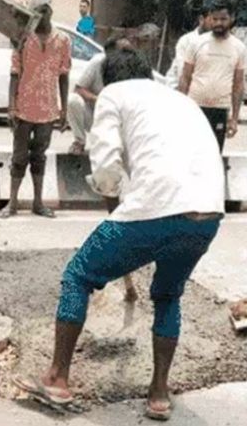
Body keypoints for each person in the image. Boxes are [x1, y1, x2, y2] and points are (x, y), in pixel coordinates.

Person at [13, 49, 224, 421]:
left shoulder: (114, 93)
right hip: (208, 213)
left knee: (78, 275)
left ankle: (57, 378)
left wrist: (111, 195)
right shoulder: (180, 99)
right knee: (168, 294)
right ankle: (159, 394)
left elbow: (105, 158)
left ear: (109, 79)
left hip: (154, 210)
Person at [0, 0, 71, 219]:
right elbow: (14, 74)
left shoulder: (62, 40)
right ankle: (12, 203)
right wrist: (11, 106)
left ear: (49, 11)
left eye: (42, 11)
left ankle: (38, 203)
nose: (39, 16)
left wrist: (64, 109)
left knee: (39, 157)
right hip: (23, 109)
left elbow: (64, 75)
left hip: (48, 111)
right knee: (19, 157)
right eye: (35, 12)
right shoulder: (22, 39)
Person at [179, 0, 246, 152]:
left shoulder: (239, 48)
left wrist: (234, 119)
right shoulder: (196, 43)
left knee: (214, 153)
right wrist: (180, 109)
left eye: (223, 19)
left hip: (220, 110)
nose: (218, 23)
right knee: (190, 153)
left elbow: (238, 84)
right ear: (209, 18)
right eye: (214, 19)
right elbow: (185, 78)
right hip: (194, 107)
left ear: (232, 18)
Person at [66, 35, 134, 155]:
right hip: (95, 115)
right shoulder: (98, 62)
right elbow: (79, 89)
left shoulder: (131, 66)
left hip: (119, 119)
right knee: (72, 100)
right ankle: (79, 141)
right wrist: (99, 99)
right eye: (123, 51)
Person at [165, 9, 212, 89]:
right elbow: (183, 73)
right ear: (201, 19)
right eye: (213, 19)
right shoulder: (186, 41)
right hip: (178, 90)